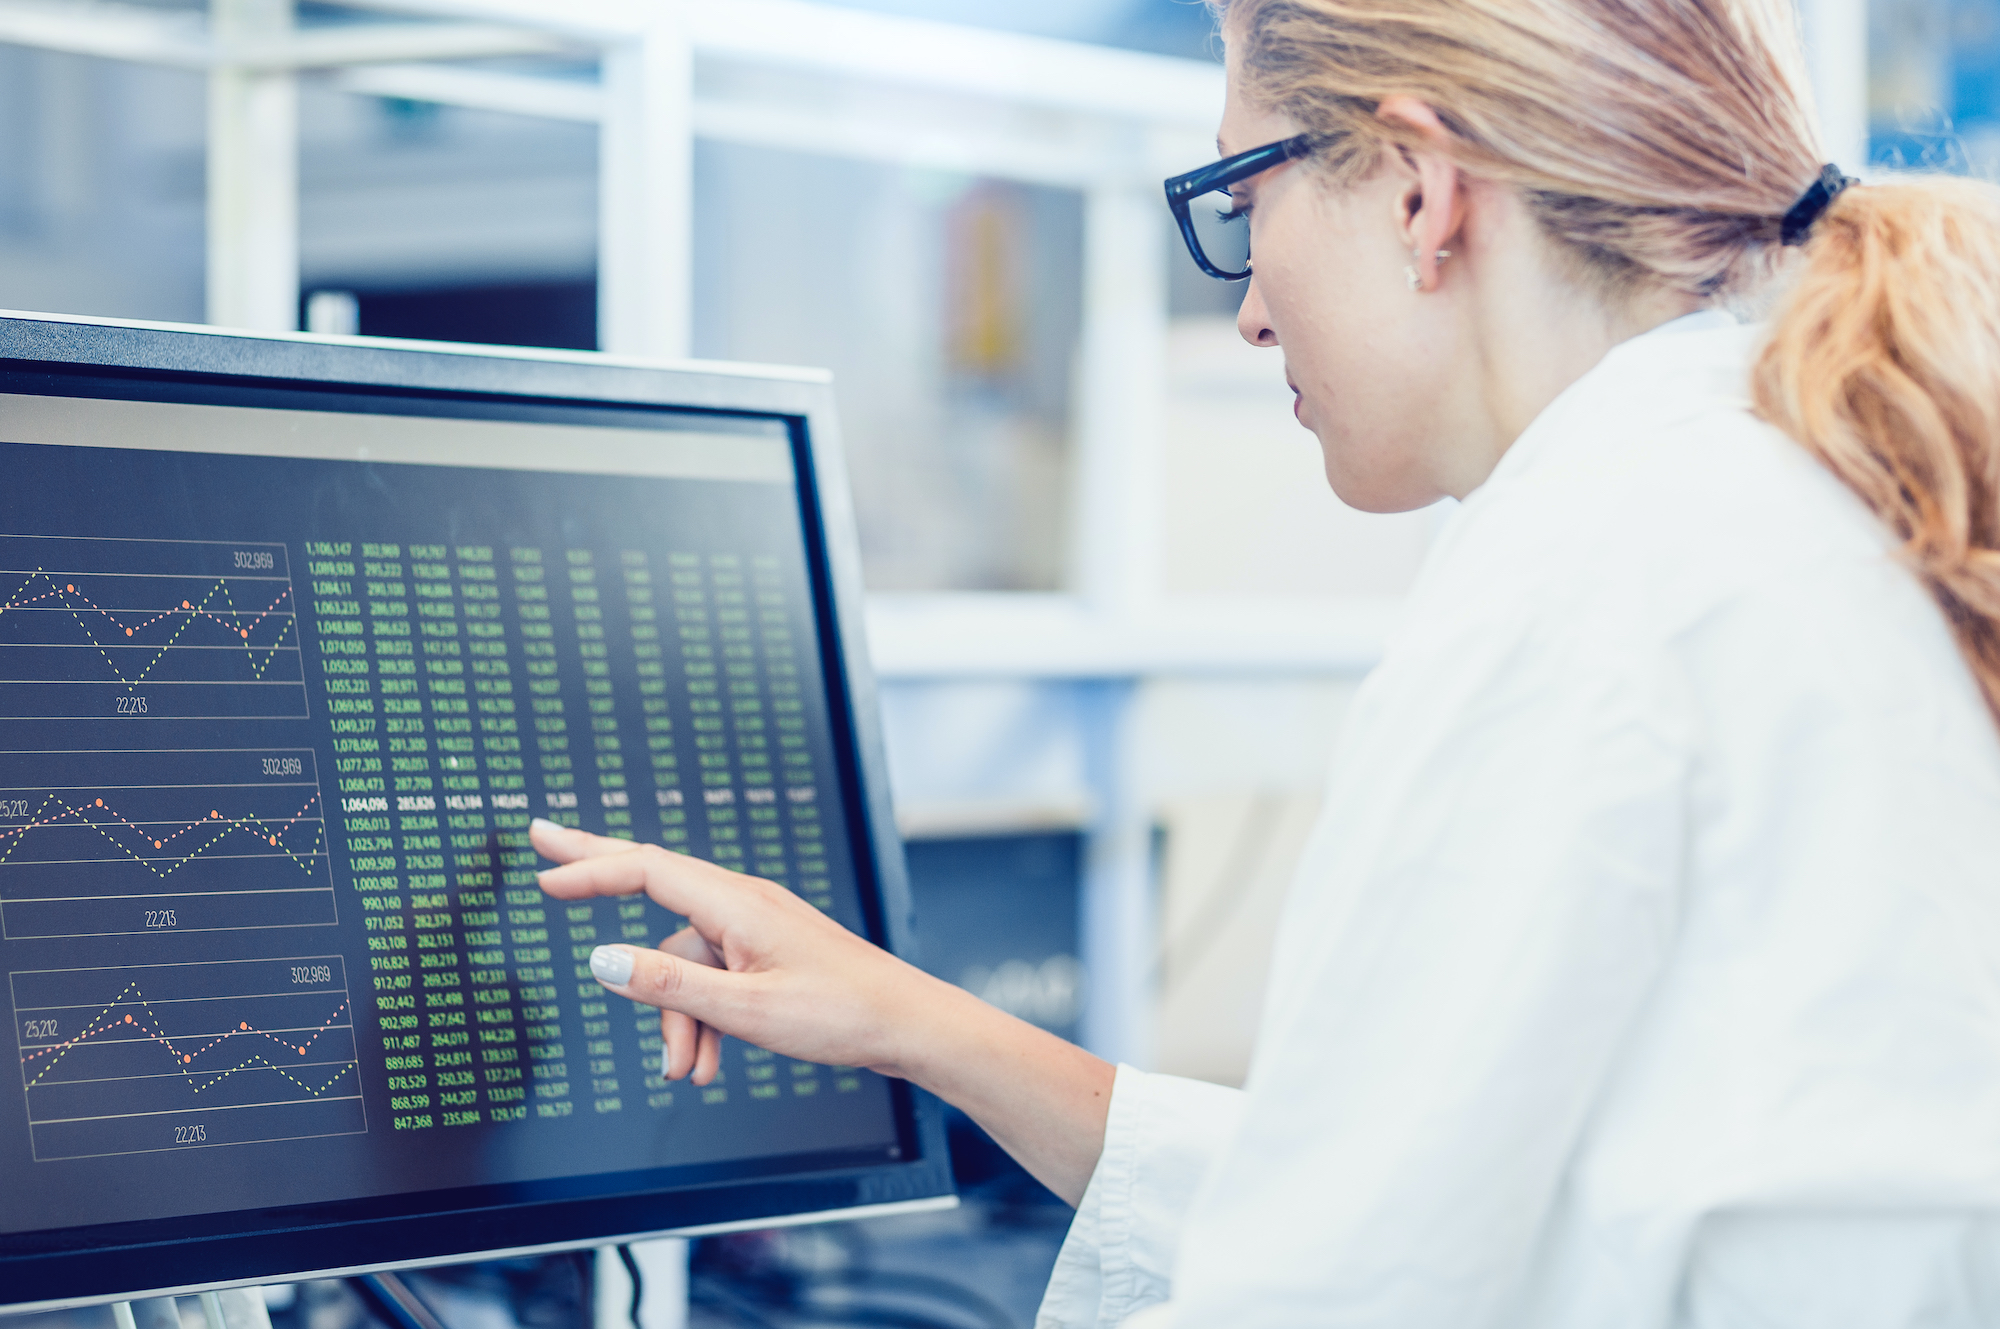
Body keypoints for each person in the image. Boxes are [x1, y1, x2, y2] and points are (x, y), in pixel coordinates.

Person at [530, 0, 2000, 1321]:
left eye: (1242, 195)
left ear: (1423, 190)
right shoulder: (1781, 483)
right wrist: (921, 1027)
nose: (1245, 304)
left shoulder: (1588, 583)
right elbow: (1430, 1190)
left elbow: (1338, 1291)